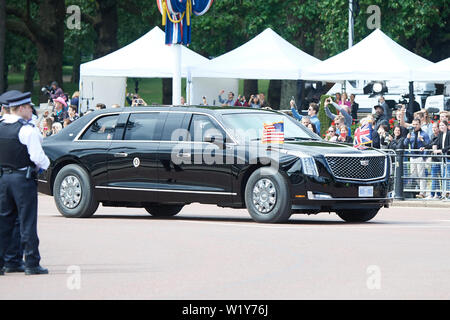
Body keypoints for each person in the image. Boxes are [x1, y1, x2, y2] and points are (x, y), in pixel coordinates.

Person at [0, 91, 50, 275]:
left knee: (4, 220)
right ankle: (31, 262)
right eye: (29, 107)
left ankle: (8, 261)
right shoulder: (26, 129)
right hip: (23, 178)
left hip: (4, 178)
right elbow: (38, 157)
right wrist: (47, 164)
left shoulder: (1, 126)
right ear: (21, 108)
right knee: (27, 221)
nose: (31, 111)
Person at [404, 118, 431, 198]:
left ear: (420, 125)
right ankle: (417, 190)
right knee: (414, 175)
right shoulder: (411, 133)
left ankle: (423, 192)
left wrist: (424, 157)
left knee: (421, 175)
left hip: (420, 156)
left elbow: (428, 145)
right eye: (413, 124)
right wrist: (407, 138)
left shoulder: (424, 134)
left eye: (416, 124)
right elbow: (405, 144)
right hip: (412, 157)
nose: (415, 126)